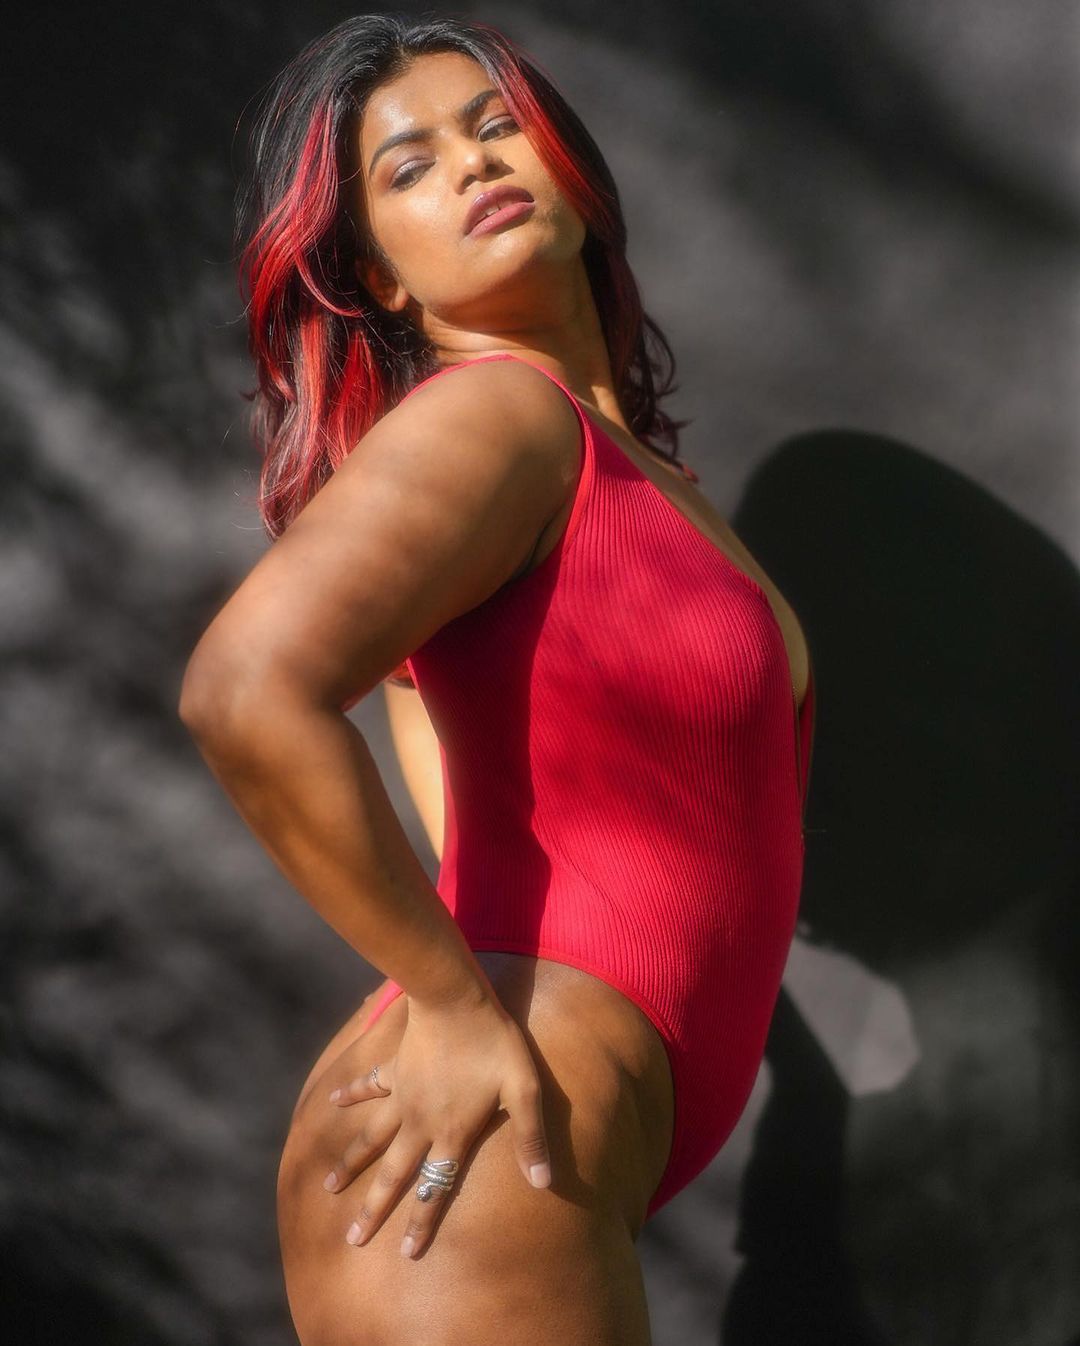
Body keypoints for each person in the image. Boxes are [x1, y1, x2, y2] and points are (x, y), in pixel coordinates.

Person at [178, 12, 815, 1345]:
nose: (473, 164)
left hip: (559, 1150)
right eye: (409, 167)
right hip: (471, 1158)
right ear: (381, 279)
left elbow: (479, 807)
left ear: (569, 167)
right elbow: (244, 689)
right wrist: (455, 1008)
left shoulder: (631, 472)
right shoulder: (499, 414)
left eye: (495, 126)